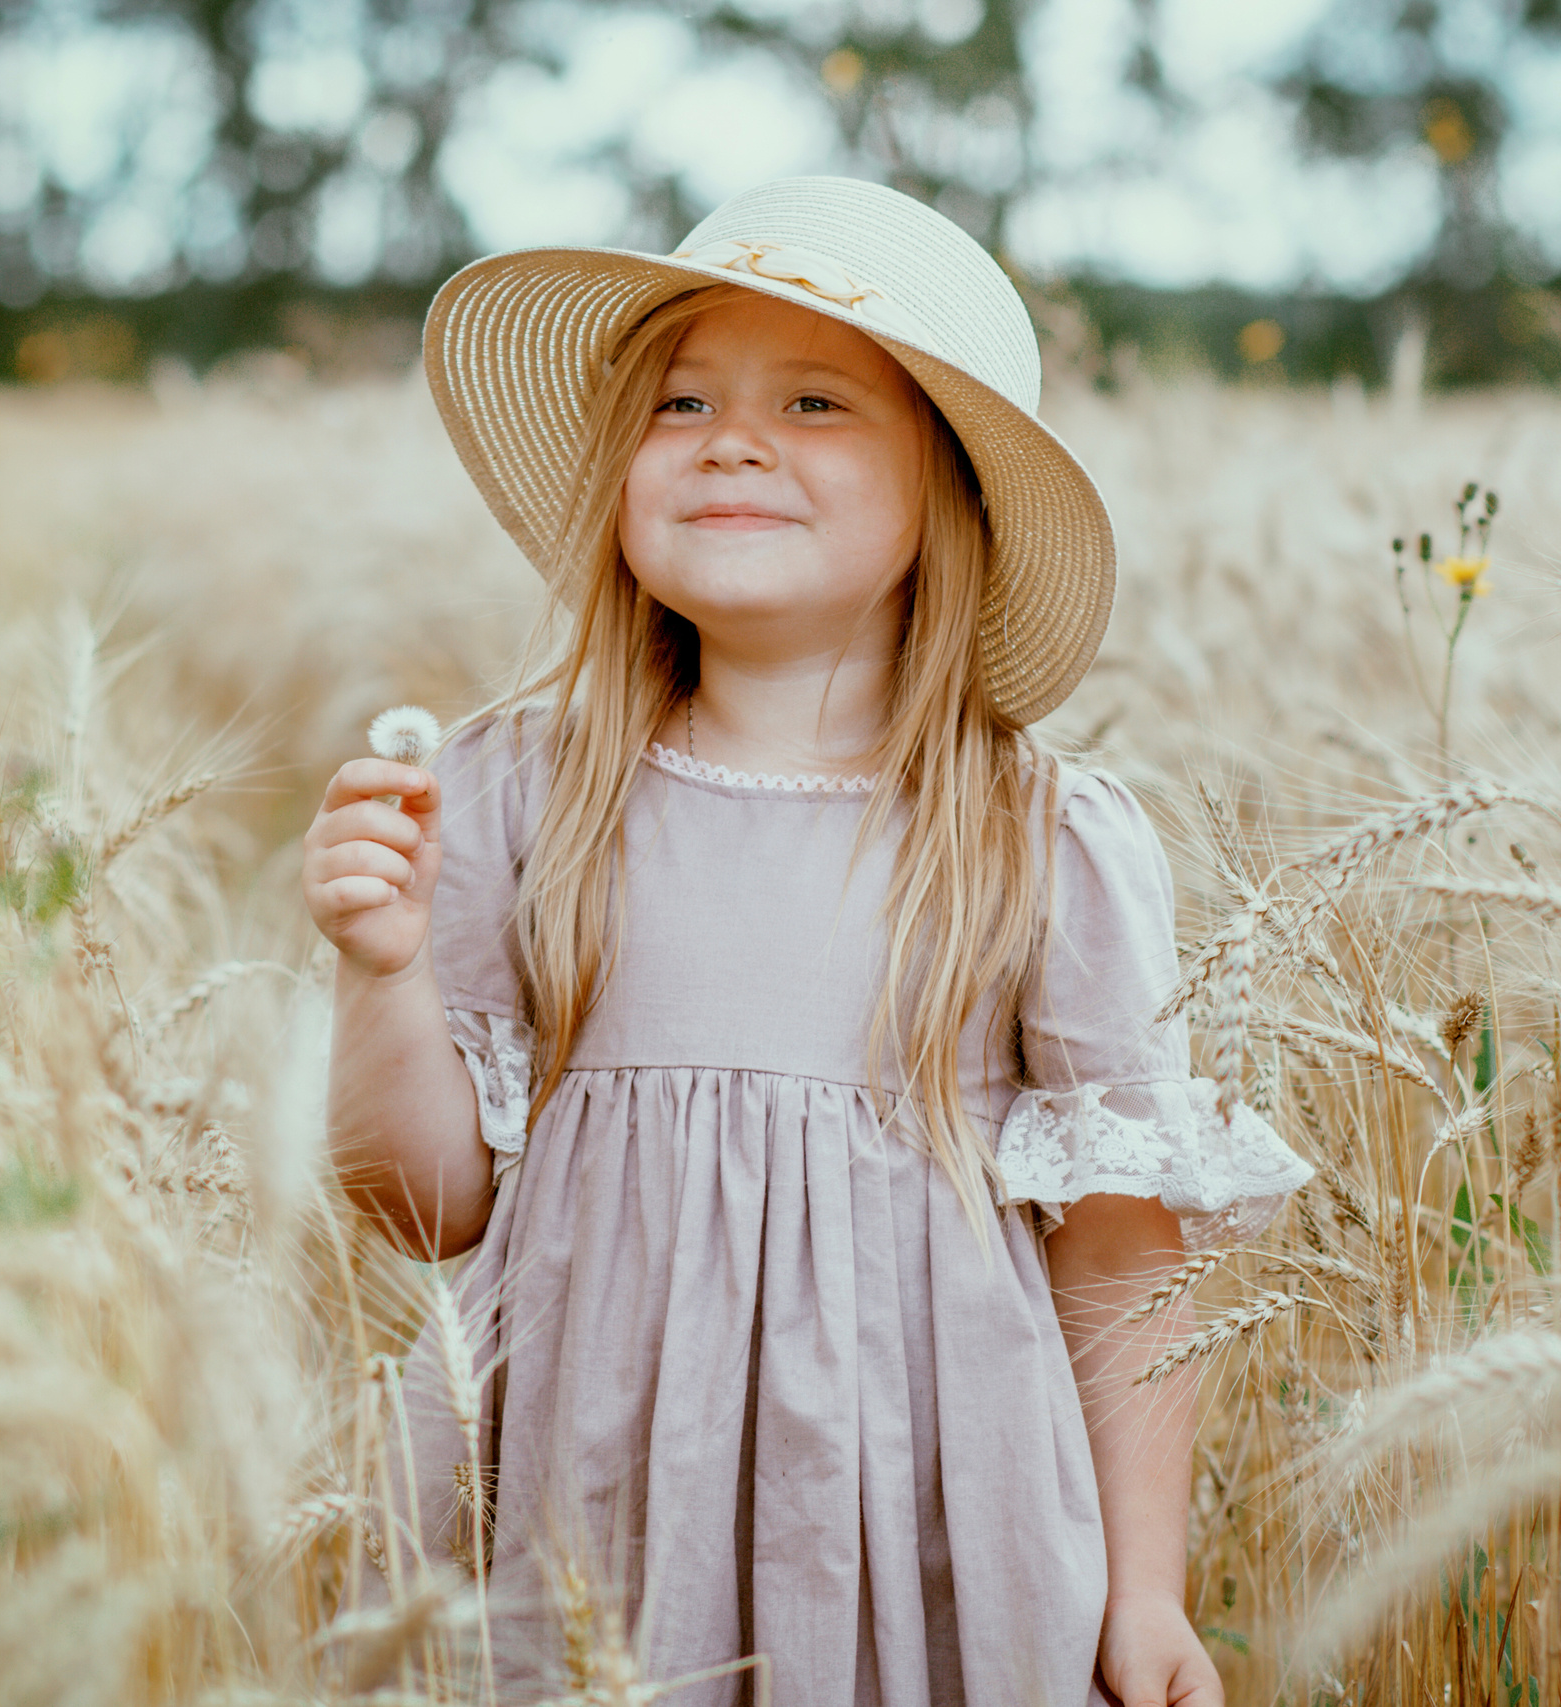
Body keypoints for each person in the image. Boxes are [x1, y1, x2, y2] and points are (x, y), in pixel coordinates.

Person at [302, 176, 1311, 1707]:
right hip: (583, 1515)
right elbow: (420, 1209)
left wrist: (1147, 1588)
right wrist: (379, 972)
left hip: (920, 1525)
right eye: (683, 398)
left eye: (818, 401)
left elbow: (1120, 1254)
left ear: (946, 493)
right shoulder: (517, 792)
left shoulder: (1032, 834)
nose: (734, 439)